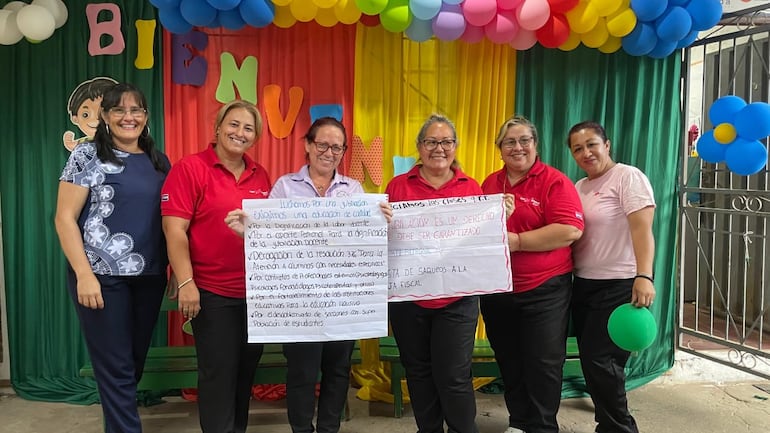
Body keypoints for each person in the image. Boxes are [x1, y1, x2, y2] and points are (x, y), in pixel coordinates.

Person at [224, 117, 392, 433]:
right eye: (323, 145)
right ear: (308, 145)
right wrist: (245, 231)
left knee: (338, 369)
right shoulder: (285, 187)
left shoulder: (354, 189)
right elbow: (268, 238)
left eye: (337, 147)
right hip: (298, 303)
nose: (329, 152)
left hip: (342, 302)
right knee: (302, 372)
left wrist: (380, 222)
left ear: (343, 152)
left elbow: (364, 243)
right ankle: (302, 429)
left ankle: (329, 429)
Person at [54, 82, 170, 433]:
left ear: (146, 116)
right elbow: (64, 218)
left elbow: (170, 219)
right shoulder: (86, 155)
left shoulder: (157, 160)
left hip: (149, 276)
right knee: (117, 368)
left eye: (136, 110)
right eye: (118, 109)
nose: (128, 117)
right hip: (101, 276)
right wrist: (84, 275)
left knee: (131, 365)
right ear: (104, 115)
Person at [161, 100, 272, 433]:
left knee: (244, 373)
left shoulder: (260, 174)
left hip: (255, 295)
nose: (240, 133)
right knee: (218, 373)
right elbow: (174, 229)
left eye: (248, 128)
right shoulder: (190, 168)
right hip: (211, 292)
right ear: (219, 127)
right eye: (234, 124)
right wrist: (186, 283)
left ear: (255, 137)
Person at [480, 115, 584, 433]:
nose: (518, 147)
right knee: (510, 361)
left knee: (543, 364)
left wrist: (518, 242)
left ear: (535, 145)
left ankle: (541, 426)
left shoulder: (554, 181)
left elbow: (570, 230)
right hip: (498, 289)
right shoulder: (489, 184)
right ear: (499, 149)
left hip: (545, 289)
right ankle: (519, 422)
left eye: (525, 140)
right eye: (509, 141)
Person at [384, 114, 482, 433]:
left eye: (446, 142)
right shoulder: (398, 186)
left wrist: (498, 215)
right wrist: (378, 221)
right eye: (431, 142)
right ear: (419, 147)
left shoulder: (472, 188)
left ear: (455, 147)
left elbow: (481, 243)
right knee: (419, 372)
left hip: (458, 298)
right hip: (409, 299)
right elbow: (387, 241)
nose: (439, 148)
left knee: (454, 375)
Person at [567, 121, 656, 433]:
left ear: (607, 144)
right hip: (584, 285)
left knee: (603, 364)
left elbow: (642, 229)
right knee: (594, 365)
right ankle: (608, 425)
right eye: (577, 148)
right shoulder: (579, 187)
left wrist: (644, 276)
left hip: (619, 284)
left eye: (591, 144)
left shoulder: (627, 176)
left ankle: (619, 428)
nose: (586, 152)